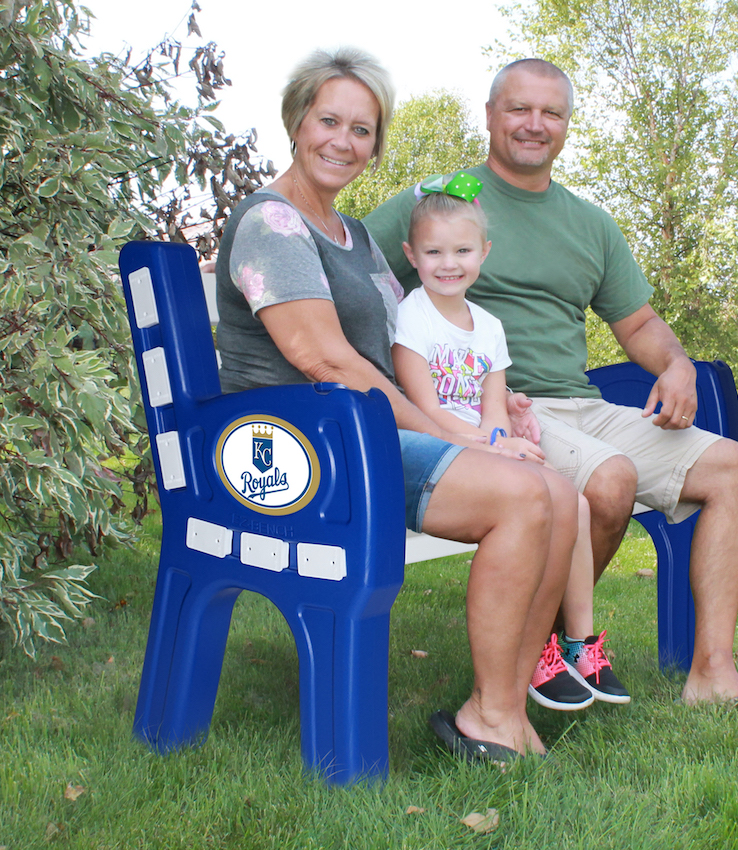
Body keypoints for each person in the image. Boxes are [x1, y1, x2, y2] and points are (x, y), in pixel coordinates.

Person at [365, 58, 738, 721]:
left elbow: (639, 323)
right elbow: (350, 270)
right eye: (519, 109)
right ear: (490, 116)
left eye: (552, 113)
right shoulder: (441, 204)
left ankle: (713, 673)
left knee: (731, 469)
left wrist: (676, 363)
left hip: (586, 403)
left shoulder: (589, 223)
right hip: (499, 408)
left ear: (567, 126)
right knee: (609, 481)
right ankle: (546, 651)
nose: (534, 124)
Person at [214, 46, 586, 761]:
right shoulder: (272, 222)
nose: (343, 141)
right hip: (303, 446)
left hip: (364, 430)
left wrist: (495, 408)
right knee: (520, 496)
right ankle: (497, 715)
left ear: (376, 144)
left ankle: (499, 705)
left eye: (362, 129)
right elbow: (324, 358)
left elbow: (404, 349)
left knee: (559, 493)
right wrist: (464, 440)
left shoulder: (352, 236)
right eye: (330, 120)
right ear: (297, 121)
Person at [391, 174, 629, 708]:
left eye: (462, 250)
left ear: (484, 252)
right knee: (538, 497)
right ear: (411, 254)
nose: (448, 263)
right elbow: (425, 408)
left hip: (485, 445)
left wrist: (503, 439)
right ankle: (532, 652)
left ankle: (578, 644)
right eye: (433, 251)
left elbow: (493, 403)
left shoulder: (490, 327)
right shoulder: (412, 316)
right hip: (442, 447)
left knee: (576, 501)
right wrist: (494, 447)